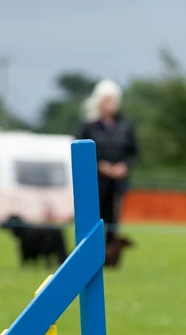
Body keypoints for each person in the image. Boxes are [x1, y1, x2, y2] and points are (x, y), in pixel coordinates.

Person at [75, 79, 139, 245]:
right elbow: (79, 151)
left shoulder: (125, 125)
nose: (111, 104)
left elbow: (133, 152)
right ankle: (92, 249)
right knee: (94, 217)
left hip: (117, 182)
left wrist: (123, 166)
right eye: (107, 100)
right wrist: (98, 165)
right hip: (94, 182)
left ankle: (110, 252)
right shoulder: (87, 125)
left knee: (113, 218)